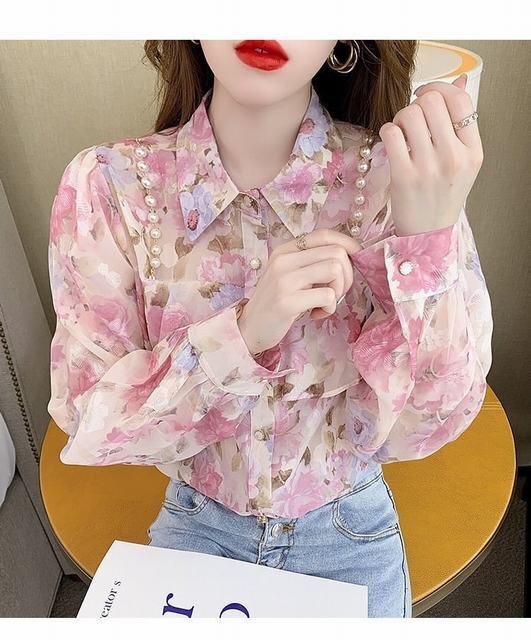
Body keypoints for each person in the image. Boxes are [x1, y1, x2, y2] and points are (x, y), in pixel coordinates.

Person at [47, 40, 492, 618]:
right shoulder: (111, 186)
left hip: (349, 537)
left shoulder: (392, 178)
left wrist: (425, 249)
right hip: (197, 528)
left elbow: (429, 425)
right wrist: (241, 336)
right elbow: (90, 420)